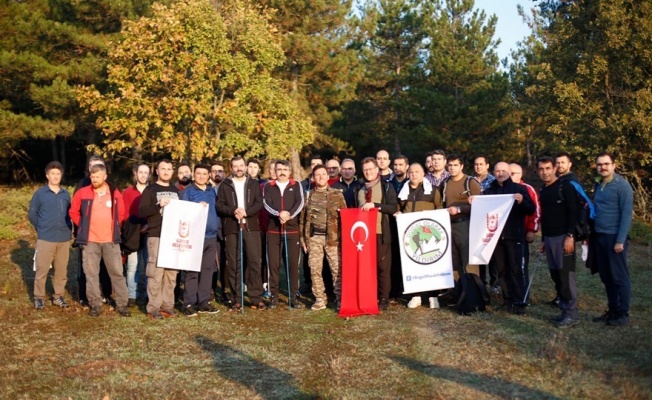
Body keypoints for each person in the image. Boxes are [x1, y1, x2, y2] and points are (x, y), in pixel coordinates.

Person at [69, 164, 130, 318]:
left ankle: (122, 304)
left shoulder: (115, 193)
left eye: (97, 177)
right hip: (90, 241)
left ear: (105, 177)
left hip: (111, 240)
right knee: (91, 274)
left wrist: (115, 226)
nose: (94, 179)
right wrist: (83, 227)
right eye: (92, 176)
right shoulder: (82, 193)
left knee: (117, 272)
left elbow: (122, 213)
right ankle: (95, 304)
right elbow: (73, 211)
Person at [484, 162, 535, 315]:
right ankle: (508, 299)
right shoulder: (489, 191)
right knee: (501, 270)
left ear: (509, 173)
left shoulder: (519, 189)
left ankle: (520, 301)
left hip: (514, 235)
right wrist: (474, 202)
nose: (500, 173)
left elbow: (531, 209)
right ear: (493, 172)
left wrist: (522, 201)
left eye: (503, 171)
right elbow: (482, 209)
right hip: (496, 237)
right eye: (497, 170)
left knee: (516, 269)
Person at [217, 156, 265, 311]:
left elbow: (259, 203)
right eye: (235, 166)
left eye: (241, 165)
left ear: (245, 167)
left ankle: (255, 297)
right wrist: (233, 211)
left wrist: (247, 212)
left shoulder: (253, 183)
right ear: (231, 168)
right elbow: (219, 205)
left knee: (254, 261)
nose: (239, 168)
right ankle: (237, 297)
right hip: (232, 227)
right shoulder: (225, 185)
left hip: (251, 227)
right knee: (234, 263)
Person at [537, 156, 579, 327]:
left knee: (566, 275)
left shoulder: (565, 186)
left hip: (564, 238)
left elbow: (573, 212)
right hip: (550, 238)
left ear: (555, 168)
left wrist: (570, 236)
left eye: (548, 168)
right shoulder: (544, 190)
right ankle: (564, 310)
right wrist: (543, 240)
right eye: (541, 169)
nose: (545, 172)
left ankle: (572, 314)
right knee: (556, 275)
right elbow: (545, 217)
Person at [592, 152, 633, 326]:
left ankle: (623, 313)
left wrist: (620, 240)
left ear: (613, 165)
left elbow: (626, 215)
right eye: (600, 164)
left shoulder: (622, 186)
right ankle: (613, 310)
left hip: (614, 237)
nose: (603, 167)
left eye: (606, 164)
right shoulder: (598, 184)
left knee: (619, 276)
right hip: (600, 236)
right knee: (606, 276)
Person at [396, 163, 443, 309]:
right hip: (411, 234)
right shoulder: (403, 191)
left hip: (428, 233)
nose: (414, 175)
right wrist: (398, 214)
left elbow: (440, 208)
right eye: (411, 172)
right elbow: (398, 208)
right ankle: (415, 295)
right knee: (412, 264)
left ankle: (433, 295)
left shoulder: (433, 191)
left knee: (430, 264)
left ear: (423, 174)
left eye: (417, 172)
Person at [300, 165, 347, 311]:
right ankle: (320, 299)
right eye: (317, 175)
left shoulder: (337, 194)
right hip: (314, 238)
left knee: (337, 270)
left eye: (323, 174)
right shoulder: (308, 195)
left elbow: (344, 217)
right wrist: (303, 238)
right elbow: (302, 219)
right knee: (314, 269)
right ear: (313, 178)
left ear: (328, 177)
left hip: (333, 239)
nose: (320, 177)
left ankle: (340, 299)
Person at [139, 159, 180, 319]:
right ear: (157, 171)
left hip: (173, 237)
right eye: (163, 169)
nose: (166, 172)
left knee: (171, 273)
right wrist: (158, 205)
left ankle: (167, 306)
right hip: (156, 235)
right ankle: (153, 307)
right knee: (156, 272)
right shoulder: (150, 190)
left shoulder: (176, 191)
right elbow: (141, 211)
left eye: (169, 169)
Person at [28, 161, 72, 310]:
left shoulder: (66, 194)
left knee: (61, 270)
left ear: (61, 176)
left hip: (64, 238)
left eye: (58, 174)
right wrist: (41, 228)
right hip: (46, 237)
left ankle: (58, 296)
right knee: (42, 270)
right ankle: (39, 297)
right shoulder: (40, 194)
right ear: (47, 175)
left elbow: (71, 213)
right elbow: (32, 214)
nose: (55, 176)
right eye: (52, 173)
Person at [356, 157, 398, 311]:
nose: (368, 172)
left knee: (383, 267)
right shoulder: (359, 189)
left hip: (381, 232)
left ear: (377, 169)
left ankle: (384, 298)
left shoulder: (387, 187)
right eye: (365, 170)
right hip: (364, 236)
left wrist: (376, 206)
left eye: (371, 169)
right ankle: (369, 296)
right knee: (367, 267)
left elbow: (393, 208)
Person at [263, 160, 305, 308]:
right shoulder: (269, 186)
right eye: (279, 169)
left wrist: (289, 215)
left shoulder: (297, 185)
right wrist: (278, 214)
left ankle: (293, 296)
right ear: (274, 171)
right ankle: (273, 296)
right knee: (273, 265)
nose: (282, 172)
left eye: (285, 169)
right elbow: (266, 203)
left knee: (293, 265)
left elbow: (300, 203)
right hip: (274, 231)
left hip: (292, 230)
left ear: (290, 171)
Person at [180, 164, 220, 316]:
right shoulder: (188, 192)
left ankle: (204, 301)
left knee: (207, 270)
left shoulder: (212, 191)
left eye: (204, 174)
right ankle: (189, 303)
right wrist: (195, 207)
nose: (202, 176)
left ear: (209, 175)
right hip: (195, 237)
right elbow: (183, 213)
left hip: (211, 237)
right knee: (192, 271)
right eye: (198, 174)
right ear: (193, 175)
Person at [75, 155, 112, 308]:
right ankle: (85, 296)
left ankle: (106, 294)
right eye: (93, 166)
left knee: (105, 267)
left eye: (99, 165)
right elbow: (75, 210)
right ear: (89, 169)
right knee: (86, 268)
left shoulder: (111, 186)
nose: (96, 169)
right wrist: (83, 226)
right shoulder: (82, 186)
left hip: (106, 235)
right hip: (87, 235)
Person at [441, 154, 481, 280]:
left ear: (461, 166)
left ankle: (474, 293)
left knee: (469, 262)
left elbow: (481, 206)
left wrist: (459, 209)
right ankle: (458, 293)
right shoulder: (445, 183)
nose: (452, 168)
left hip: (466, 225)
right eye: (450, 165)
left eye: (455, 165)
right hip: (449, 226)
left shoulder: (470, 182)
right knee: (454, 262)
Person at [122, 163, 150, 307]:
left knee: (148, 265)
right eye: (141, 172)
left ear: (149, 174)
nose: (143, 175)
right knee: (132, 265)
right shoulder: (128, 192)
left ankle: (147, 295)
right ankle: (132, 295)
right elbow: (124, 213)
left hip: (149, 232)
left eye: (146, 172)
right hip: (133, 233)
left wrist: (148, 225)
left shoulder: (152, 191)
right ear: (136, 174)